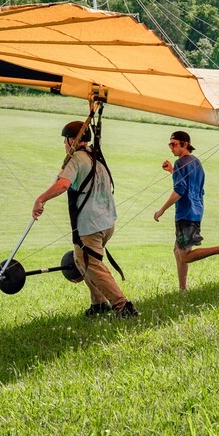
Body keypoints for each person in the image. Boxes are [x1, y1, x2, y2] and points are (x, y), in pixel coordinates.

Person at [33, 120, 137, 318]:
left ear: (72, 140)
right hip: (107, 222)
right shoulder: (96, 156)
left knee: (92, 265)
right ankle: (98, 304)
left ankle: (123, 306)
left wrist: (41, 199)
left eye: (65, 140)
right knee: (84, 263)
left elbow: (63, 184)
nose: (64, 144)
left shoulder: (77, 159)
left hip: (90, 225)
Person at [152, 130, 219, 291]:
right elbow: (192, 184)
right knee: (177, 250)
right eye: (170, 144)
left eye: (174, 144)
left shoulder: (181, 163)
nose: (171, 148)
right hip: (196, 211)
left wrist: (162, 210)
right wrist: (172, 171)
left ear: (185, 144)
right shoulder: (196, 162)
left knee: (185, 256)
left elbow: (179, 191)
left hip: (185, 213)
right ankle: (182, 289)